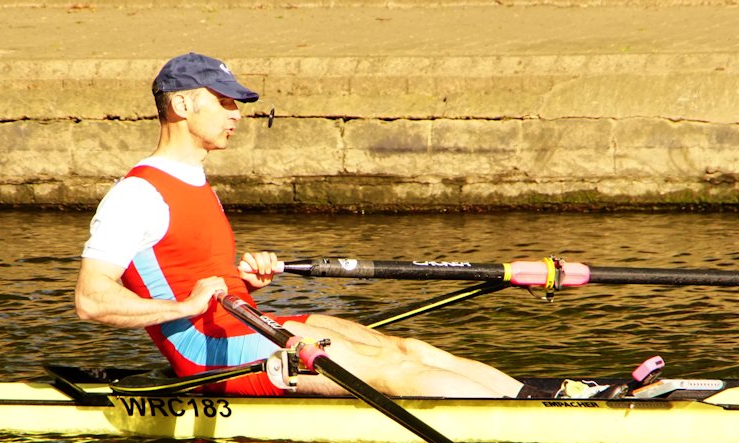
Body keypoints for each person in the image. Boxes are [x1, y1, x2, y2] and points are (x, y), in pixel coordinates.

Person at [74, 52, 527, 399]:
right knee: (385, 370)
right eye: (224, 101)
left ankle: (538, 398)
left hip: (245, 326)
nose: (237, 113)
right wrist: (186, 307)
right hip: (204, 353)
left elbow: (194, 277)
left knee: (403, 348)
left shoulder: (198, 183)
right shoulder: (137, 195)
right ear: (181, 104)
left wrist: (247, 284)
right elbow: (92, 300)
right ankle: (518, 424)